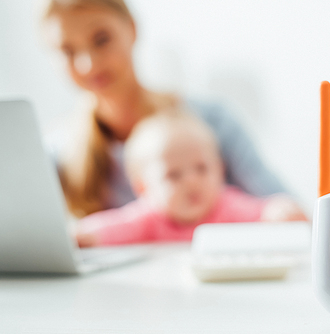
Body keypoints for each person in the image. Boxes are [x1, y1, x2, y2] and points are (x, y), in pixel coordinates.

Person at [41, 0, 307, 221]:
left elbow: (285, 209)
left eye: (101, 39)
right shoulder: (57, 152)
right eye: (67, 51)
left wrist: (280, 214)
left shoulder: (212, 120)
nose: (88, 64)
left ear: (132, 30)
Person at [77, 112, 304, 247]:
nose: (191, 182)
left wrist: (280, 211)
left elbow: (263, 211)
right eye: (173, 175)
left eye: (202, 169)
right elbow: (113, 226)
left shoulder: (226, 205)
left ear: (220, 170)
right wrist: (83, 234)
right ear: (144, 187)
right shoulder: (149, 217)